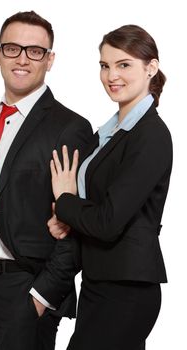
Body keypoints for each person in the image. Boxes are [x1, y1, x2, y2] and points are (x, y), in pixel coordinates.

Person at [0, 11, 93, 350]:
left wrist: (42, 296)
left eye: (35, 51)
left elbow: (76, 222)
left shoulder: (70, 127)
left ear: (50, 60)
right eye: (12, 48)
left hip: (27, 289)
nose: (23, 59)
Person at [48, 24, 173, 350]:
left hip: (126, 289)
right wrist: (65, 217)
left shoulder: (151, 136)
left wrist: (64, 203)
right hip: (98, 281)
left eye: (123, 64)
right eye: (105, 65)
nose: (111, 75)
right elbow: (93, 204)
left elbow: (107, 221)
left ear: (151, 67)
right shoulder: (109, 134)